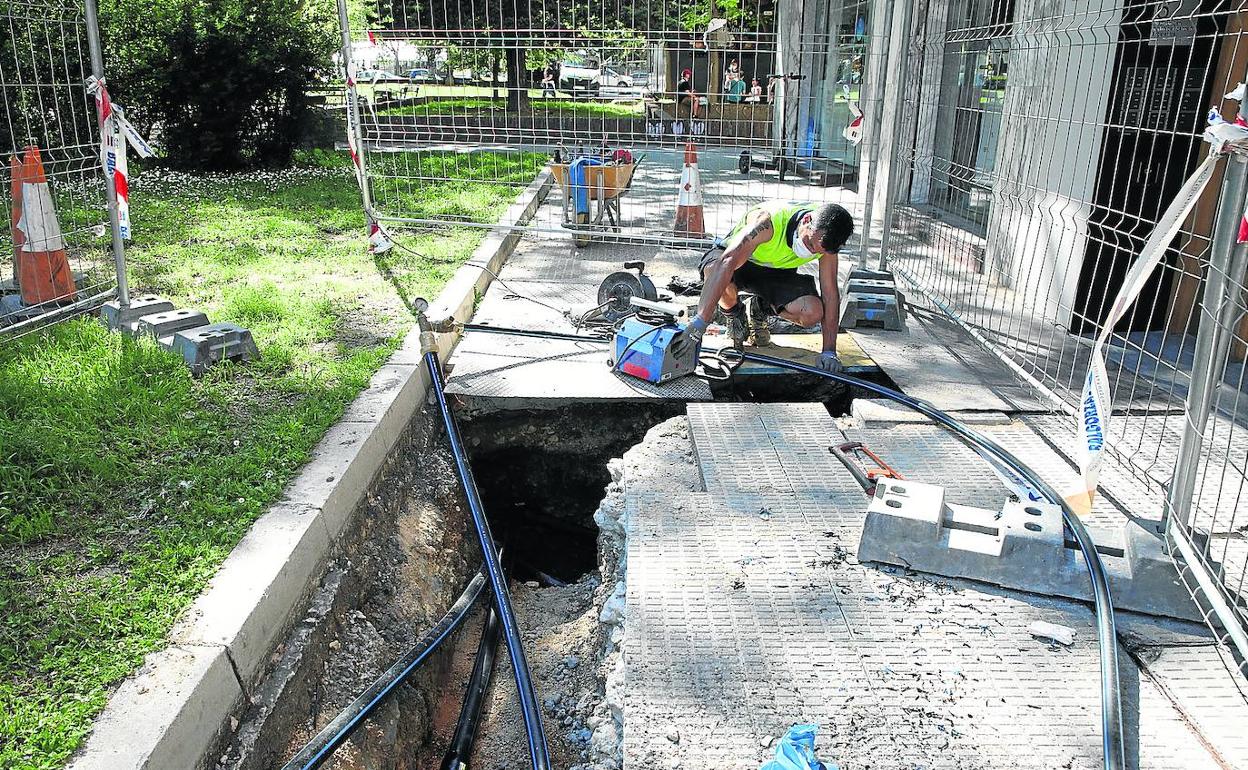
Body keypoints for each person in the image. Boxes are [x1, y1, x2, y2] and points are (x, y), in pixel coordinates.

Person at [678, 202, 854, 372]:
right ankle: (734, 315)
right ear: (806, 221)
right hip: (738, 263)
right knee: (713, 269)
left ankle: (759, 309)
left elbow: (830, 294)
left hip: (776, 274)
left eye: (818, 252)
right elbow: (727, 261)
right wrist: (700, 322)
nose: (811, 252)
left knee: (812, 312)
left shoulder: (827, 237)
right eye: (809, 244)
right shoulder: (768, 222)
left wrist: (829, 352)